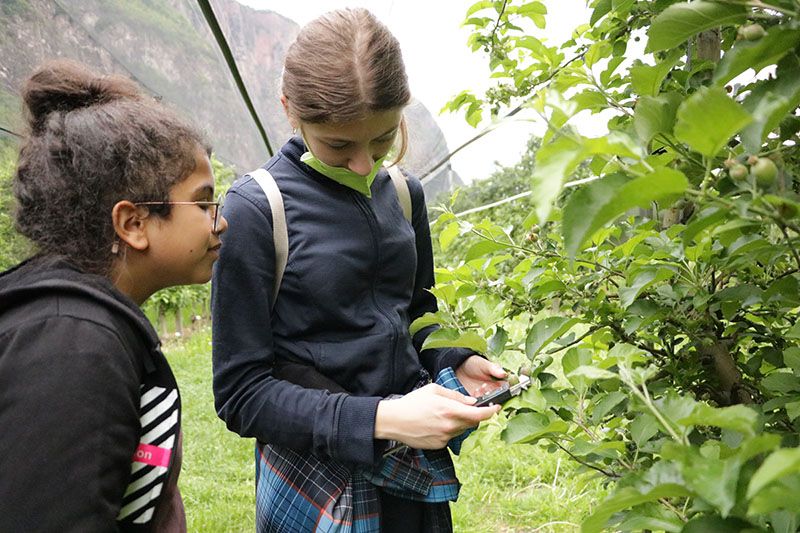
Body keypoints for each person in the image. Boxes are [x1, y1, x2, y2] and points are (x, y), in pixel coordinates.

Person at [211, 8, 505, 532]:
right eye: (339, 145)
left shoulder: (404, 195)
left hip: (410, 474)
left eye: (383, 138)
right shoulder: (257, 211)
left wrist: (455, 359)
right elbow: (242, 393)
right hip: (314, 482)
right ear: (289, 110)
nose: (365, 163)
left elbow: (417, 316)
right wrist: (381, 419)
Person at [0, 59, 227, 532]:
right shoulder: (73, 348)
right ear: (133, 223)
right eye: (203, 201)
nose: (219, 220)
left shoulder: (84, 327)